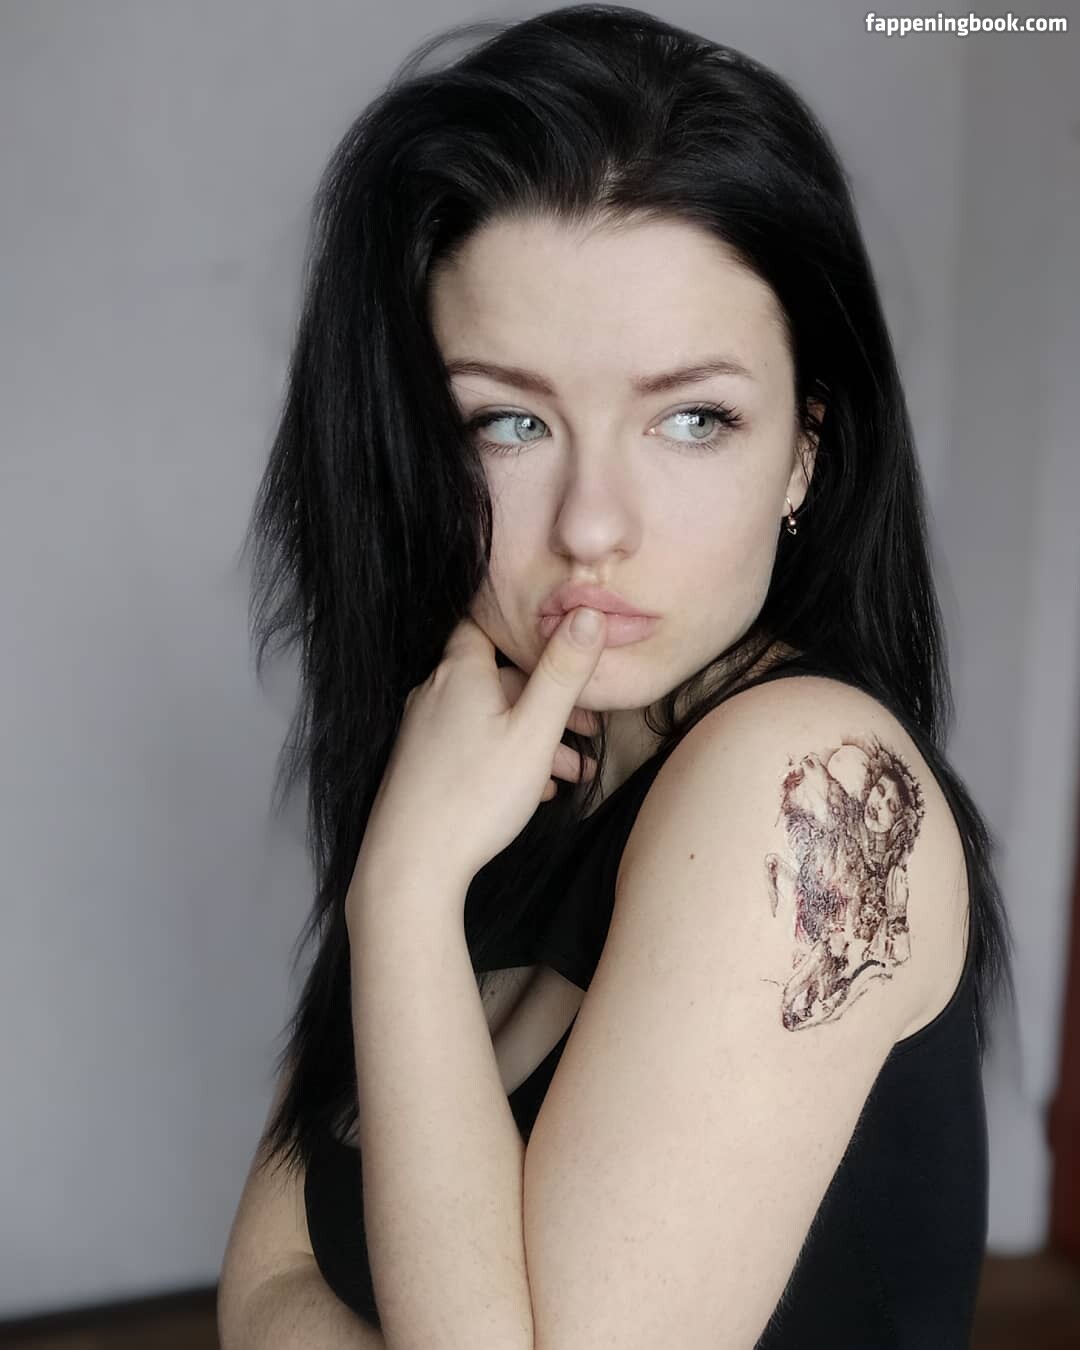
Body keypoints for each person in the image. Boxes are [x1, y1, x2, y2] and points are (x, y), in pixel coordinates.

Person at [218, 5, 1016, 1346]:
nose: (594, 523)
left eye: (692, 417)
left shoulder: (805, 785)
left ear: (806, 447)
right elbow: (262, 1291)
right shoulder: (479, 765)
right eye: (509, 421)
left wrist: (401, 900)